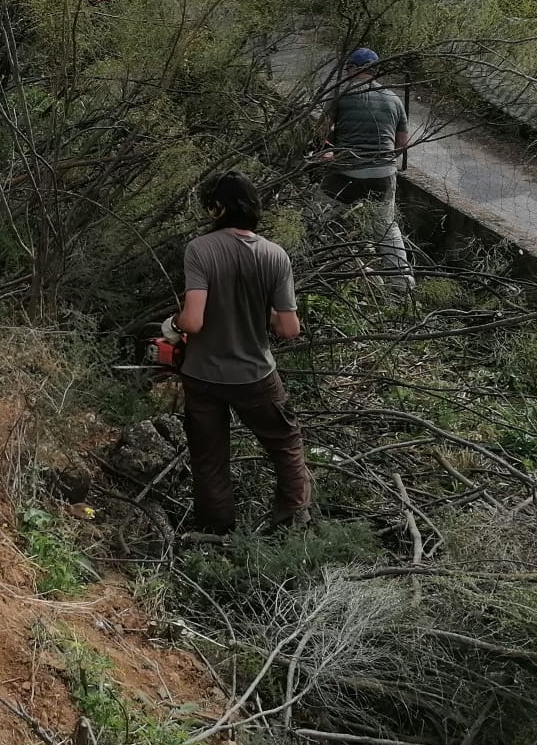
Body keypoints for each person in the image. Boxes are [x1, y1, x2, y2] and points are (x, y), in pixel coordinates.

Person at [170, 170, 309, 536]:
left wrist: (174, 322)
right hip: (256, 376)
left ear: (215, 209)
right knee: (285, 444)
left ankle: (216, 533)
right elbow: (288, 329)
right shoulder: (275, 255)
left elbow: (193, 322)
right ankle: (291, 523)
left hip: (201, 374)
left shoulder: (200, 250)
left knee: (209, 458)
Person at [317, 47, 413, 291]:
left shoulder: (342, 94)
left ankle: (298, 258)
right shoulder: (393, 99)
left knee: (315, 216)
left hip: (346, 172)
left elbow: (321, 131)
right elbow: (402, 143)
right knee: (387, 227)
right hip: (383, 174)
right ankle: (401, 282)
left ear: (352, 68)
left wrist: (328, 152)